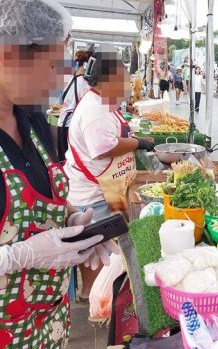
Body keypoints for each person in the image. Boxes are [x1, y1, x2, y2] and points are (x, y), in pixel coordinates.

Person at [0, 0, 117, 348]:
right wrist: (17, 256)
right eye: (52, 66)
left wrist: (71, 219)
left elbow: (41, 194)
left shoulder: (32, 118)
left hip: (49, 323)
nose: (58, 81)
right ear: (9, 55)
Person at [64, 47, 155, 299]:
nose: (127, 83)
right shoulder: (94, 110)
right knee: (96, 252)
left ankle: (98, 296)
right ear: (108, 79)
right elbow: (103, 148)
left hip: (100, 189)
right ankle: (93, 299)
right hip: (91, 197)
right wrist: (137, 143)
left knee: (101, 251)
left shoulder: (101, 101)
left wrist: (135, 139)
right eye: (123, 77)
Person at [57, 49, 92, 161]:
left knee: (63, 160)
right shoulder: (85, 84)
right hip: (72, 127)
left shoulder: (69, 79)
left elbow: (60, 101)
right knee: (72, 160)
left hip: (61, 124)